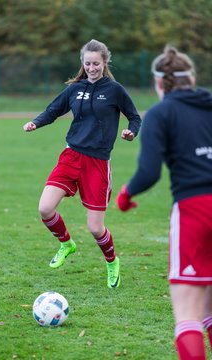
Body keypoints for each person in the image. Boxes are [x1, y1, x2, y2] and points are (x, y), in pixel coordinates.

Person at [116, 45, 212, 359]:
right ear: (193, 77)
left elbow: (149, 172)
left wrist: (126, 194)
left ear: (160, 84)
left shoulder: (160, 112)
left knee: (188, 316)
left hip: (194, 210)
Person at [23, 39, 141, 289]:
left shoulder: (115, 90)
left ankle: (112, 262)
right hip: (71, 156)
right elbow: (53, 110)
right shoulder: (75, 89)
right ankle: (66, 244)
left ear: (104, 63)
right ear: (83, 63)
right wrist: (36, 122)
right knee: (45, 209)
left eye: (96, 63)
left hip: (97, 163)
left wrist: (131, 132)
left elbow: (134, 116)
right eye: (87, 63)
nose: (91, 68)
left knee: (95, 228)